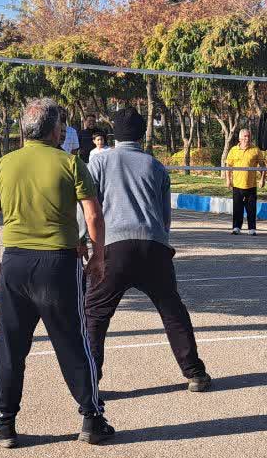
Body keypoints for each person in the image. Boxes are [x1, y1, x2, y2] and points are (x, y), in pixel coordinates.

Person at [0, 97, 113, 448]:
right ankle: (91, 419)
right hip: (58, 264)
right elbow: (93, 216)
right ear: (56, 130)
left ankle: (4, 421)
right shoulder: (70, 163)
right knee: (73, 342)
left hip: (16, 263)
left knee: (11, 345)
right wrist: (98, 257)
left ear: (25, 130)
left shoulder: (4, 165)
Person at [85, 107, 211, 392]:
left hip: (114, 247)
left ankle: (90, 382)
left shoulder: (99, 163)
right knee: (172, 310)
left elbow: (89, 208)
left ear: (114, 134)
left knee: (95, 314)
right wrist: (161, 241)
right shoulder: (155, 166)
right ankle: (195, 372)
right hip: (153, 246)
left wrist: (85, 243)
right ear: (142, 134)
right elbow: (165, 217)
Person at [225, 128, 267, 236]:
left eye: (249, 136)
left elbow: (263, 166)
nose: (247, 138)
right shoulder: (233, 150)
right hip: (237, 184)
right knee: (237, 207)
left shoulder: (255, 150)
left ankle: (252, 228)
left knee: (251, 208)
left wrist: (262, 179)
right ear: (240, 138)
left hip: (251, 185)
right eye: (245, 136)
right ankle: (236, 227)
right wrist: (228, 179)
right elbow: (228, 166)